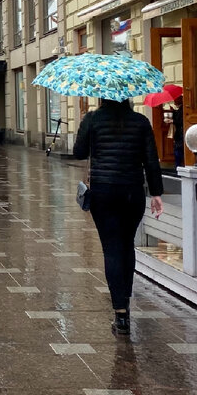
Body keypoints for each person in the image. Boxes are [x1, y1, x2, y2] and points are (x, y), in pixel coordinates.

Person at [73, 98, 165, 336]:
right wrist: (156, 193)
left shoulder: (93, 120)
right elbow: (151, 161)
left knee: (112, 249)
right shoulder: (140, 122)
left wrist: (86, 129)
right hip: (132, 192)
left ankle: (120, 314)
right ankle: (126, 302)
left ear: (103, 97)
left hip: (103, 192)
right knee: (127, 247)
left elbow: (79, 152)